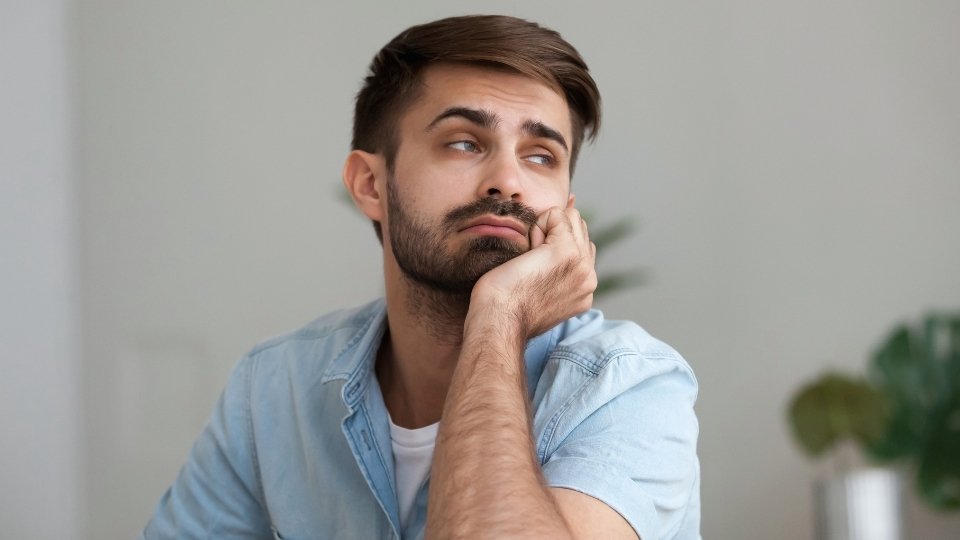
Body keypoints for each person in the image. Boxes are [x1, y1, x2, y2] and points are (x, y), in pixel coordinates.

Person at [142, 14, 700, 540]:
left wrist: (498, 315)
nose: (506, 181)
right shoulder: (274, 387)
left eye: (540, 156)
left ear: (567, 207)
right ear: (369, 184)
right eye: (463, 142)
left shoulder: (626, 385)